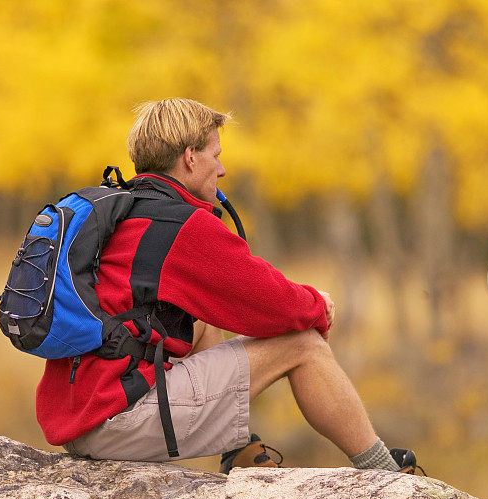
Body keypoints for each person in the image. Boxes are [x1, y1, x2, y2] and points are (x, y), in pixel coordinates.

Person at [36, 98, 422, 474]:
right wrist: (318, 304)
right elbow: (274, 306)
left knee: (197, 319)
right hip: (118, 422)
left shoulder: (122, 210)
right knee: (304, 345)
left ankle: (238, 450)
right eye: (215, 155)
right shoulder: (181, 226)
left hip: (81, 417)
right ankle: (384, 473)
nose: (221, 170)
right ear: (190, 157)